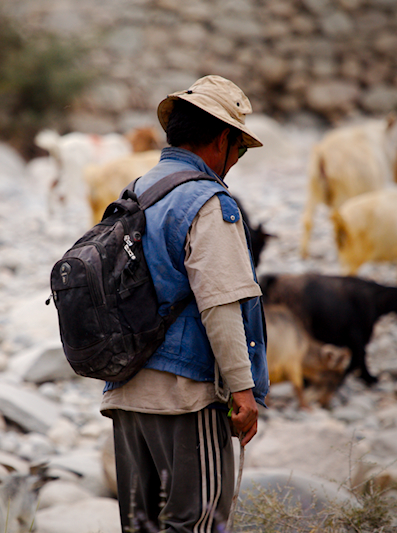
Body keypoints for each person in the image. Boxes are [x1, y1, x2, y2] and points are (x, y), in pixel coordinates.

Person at [100, 75, 269, 533]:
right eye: (240, 149)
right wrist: (243, 390)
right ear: (222, 140)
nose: (236, 162)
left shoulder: (135, 191)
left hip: (125, 394)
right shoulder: (208, 203)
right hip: (185, 399)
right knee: (198, 523)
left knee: (141, 526)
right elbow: (220, 305)